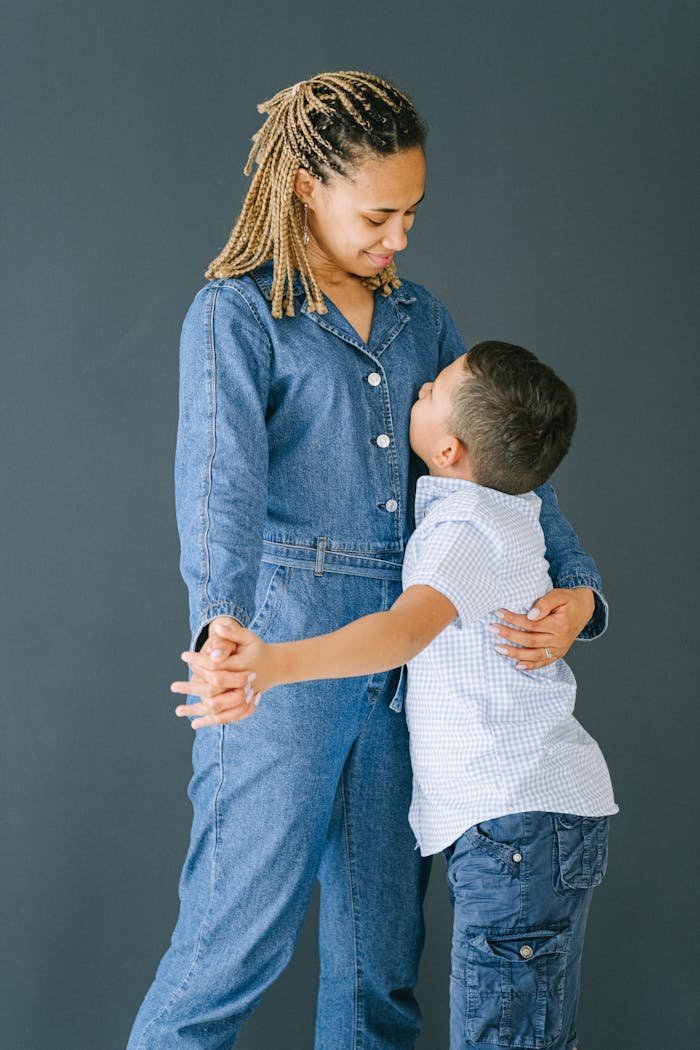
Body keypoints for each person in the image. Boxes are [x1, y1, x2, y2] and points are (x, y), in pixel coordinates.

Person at [129, 71, 608, 1050]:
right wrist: (221, 629)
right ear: (307, 185)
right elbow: (217, 484)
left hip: (408, 676)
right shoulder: (236, 315)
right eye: (379, 216)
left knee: (379, 970)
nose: (399, 238)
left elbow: (503, 471)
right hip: (281, 659)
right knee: (230, 949)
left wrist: (581, 592)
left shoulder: (420, 318)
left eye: (411, 215)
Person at [177, 341, 617, 1050]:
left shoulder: (463, 531)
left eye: (431, 390)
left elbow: (402, 632)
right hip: (533, 819)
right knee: (528, 1028)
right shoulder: (511, 509)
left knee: (505, 1034)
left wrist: (276, 662)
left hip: (512, 824)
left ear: (448, 450)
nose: (416, 391)